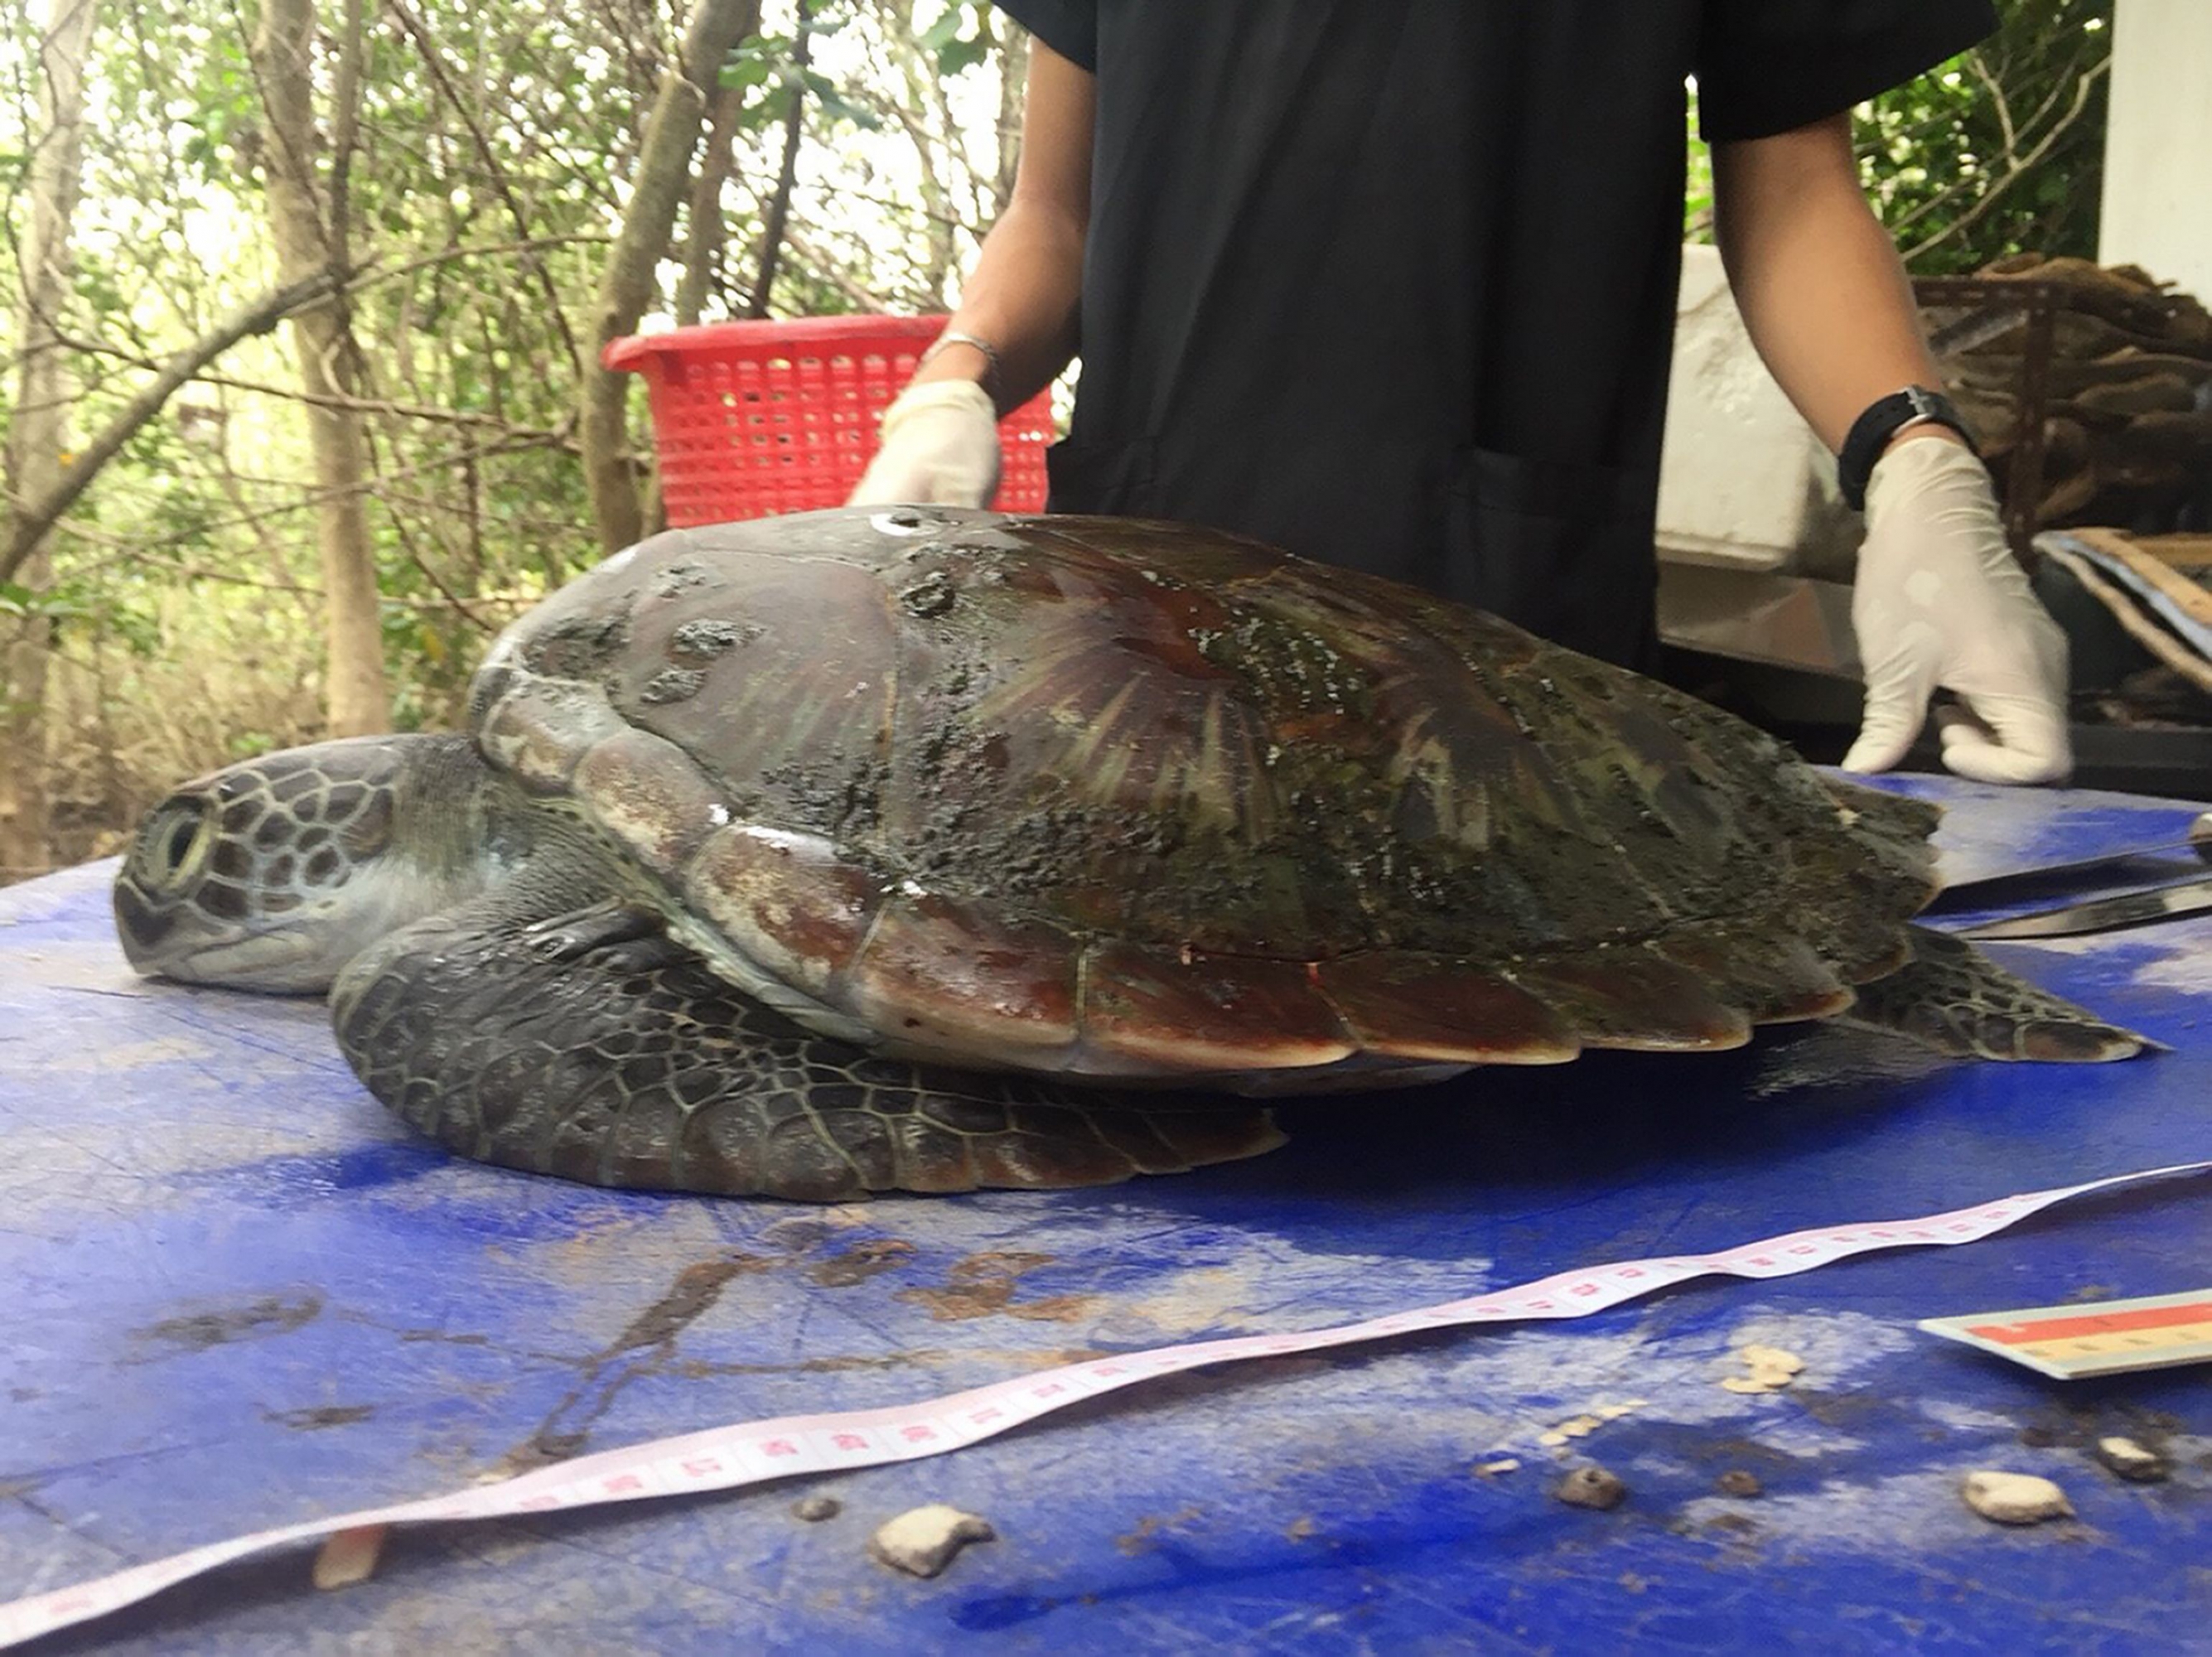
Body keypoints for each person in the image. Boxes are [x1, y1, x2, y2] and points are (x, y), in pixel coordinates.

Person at [850, 2, 2069, 785]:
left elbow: (1794, 185)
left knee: (1526, 1117)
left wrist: (1911, 454)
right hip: (1147, 626)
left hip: (1511, 648)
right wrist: (951, 381)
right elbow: (1051, 212)